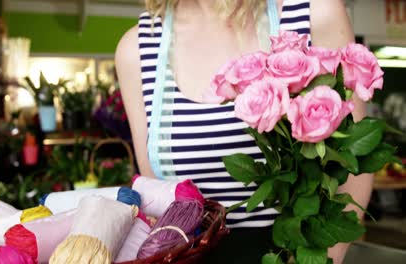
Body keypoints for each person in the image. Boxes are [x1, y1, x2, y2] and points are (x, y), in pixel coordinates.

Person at [115, 0, 373, 263]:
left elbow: (355, 163)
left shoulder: (312, 14)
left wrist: (323, 258)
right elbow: (159, 198)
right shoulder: (138, 48)